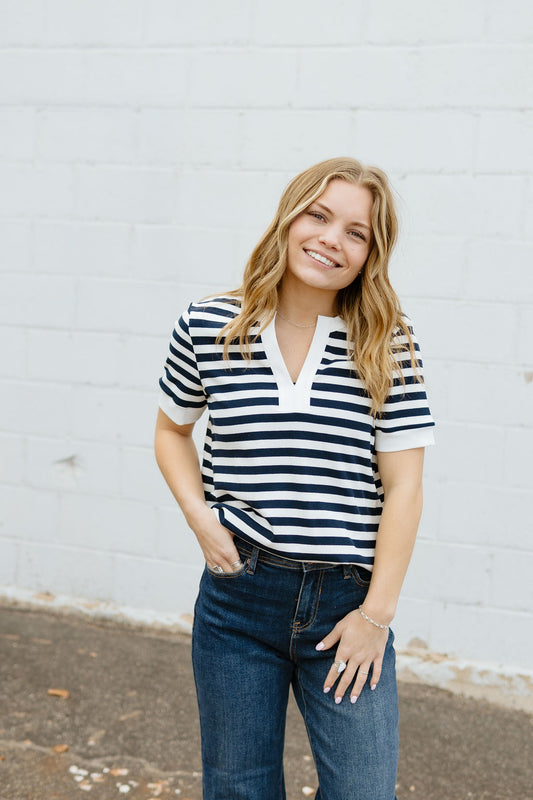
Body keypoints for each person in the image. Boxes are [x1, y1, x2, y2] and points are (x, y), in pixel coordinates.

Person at [154, 157, 435, 800]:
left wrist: (376, 616)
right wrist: (201, 518)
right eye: (318, 214)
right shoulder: (210, 326)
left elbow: (406, 490)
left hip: (346, 608)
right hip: (239, 601)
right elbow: (171, 431)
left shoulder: (387, 342)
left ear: (371, 253)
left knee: (363, 790)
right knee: (239, 788)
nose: (331, 238)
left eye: (356, 232)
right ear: (287, 219)